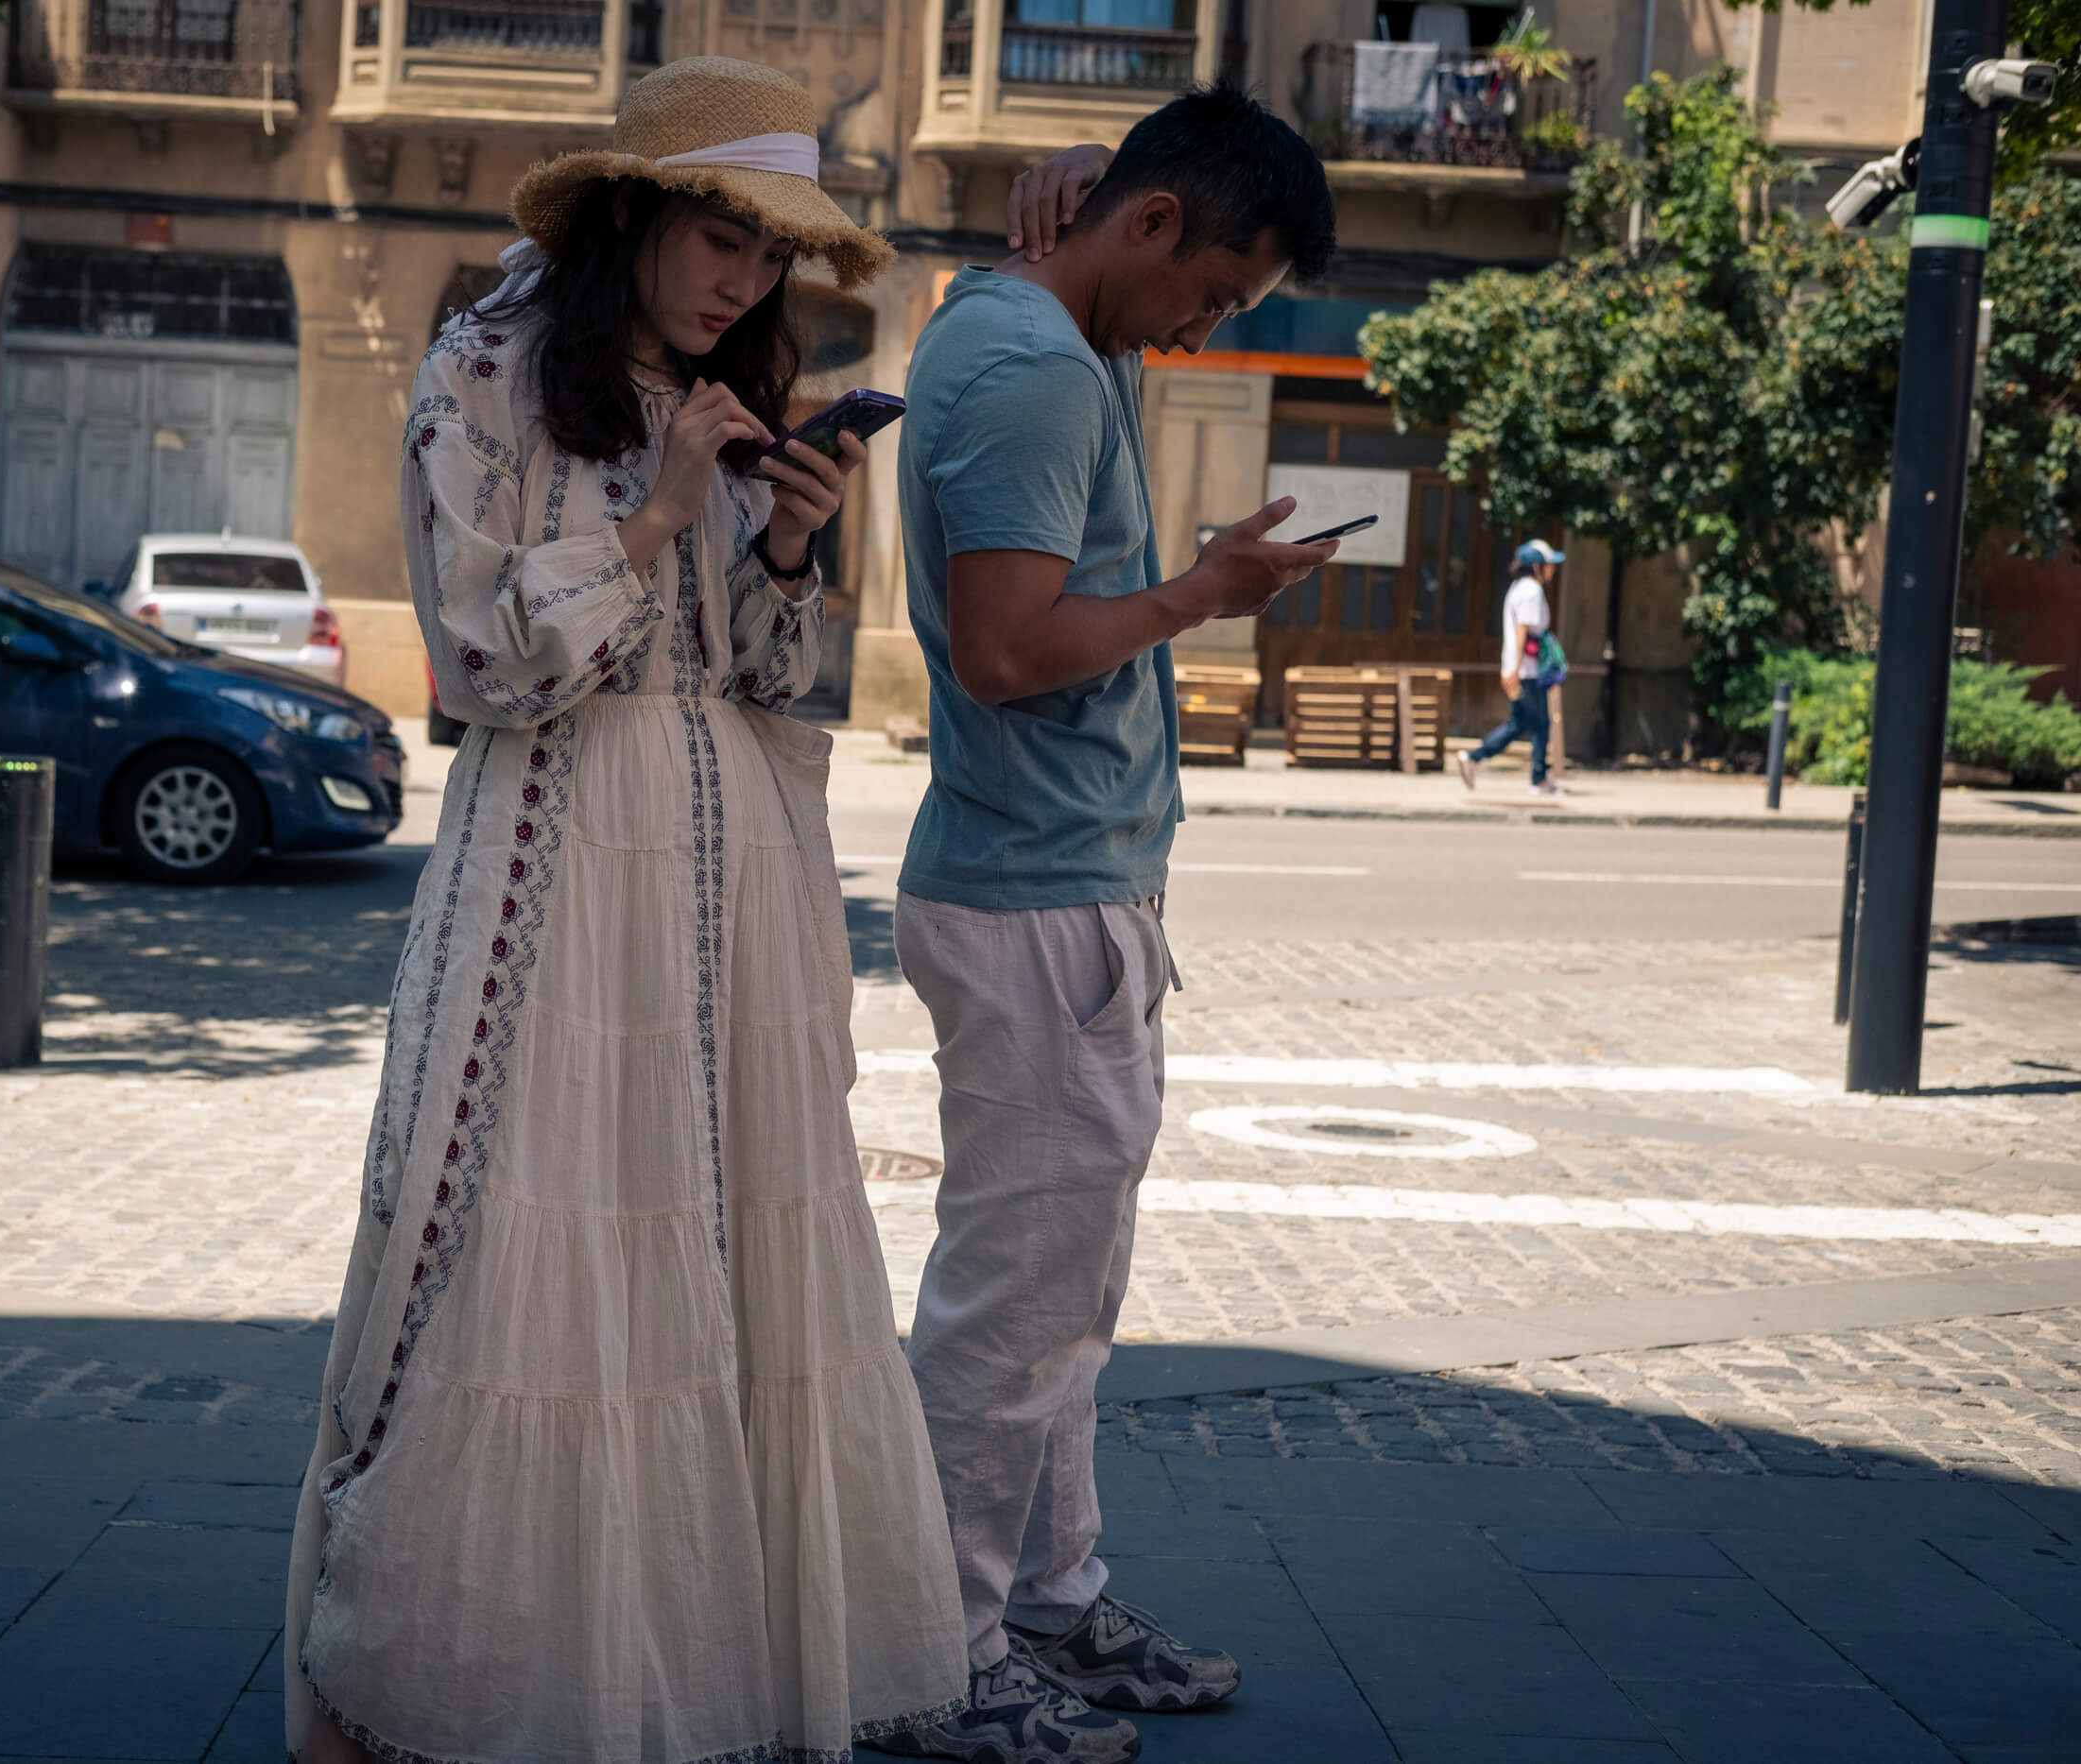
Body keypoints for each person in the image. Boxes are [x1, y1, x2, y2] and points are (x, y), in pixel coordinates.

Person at [281, 57, 967, 1764]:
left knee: (719, 1251)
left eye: (773, 251)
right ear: (634, 212)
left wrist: (790, 552)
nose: (746, 277)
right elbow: (489, 666)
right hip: (561, 861)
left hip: (735, 871)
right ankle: (464, 1679)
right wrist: (664, 507)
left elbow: (760, 678)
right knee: (530, 1240)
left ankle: (687, 1672)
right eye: (721, 233)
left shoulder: (734, 388)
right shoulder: (488, 372)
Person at [870, 88, 1338, 1762]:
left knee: (1064, 1294)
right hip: (1032, 893)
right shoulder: (1025, 369)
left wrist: (1078, 202)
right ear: (1147, 228)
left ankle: (1049, 1596)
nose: (1204, 333)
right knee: (1012, 1304)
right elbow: (1004, 648)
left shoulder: (1059, 337)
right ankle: (934, 1646)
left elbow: (1111, 276)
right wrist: (1201, 598)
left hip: (1069, 882)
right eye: (1210, 295)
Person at [1456, 538, 1565, 796]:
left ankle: (1474, 758)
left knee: (1519, 724)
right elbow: (1522, 632)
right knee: (1540, 725)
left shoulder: (1519, 587)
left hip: (1518, 669)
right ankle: (1538, 779)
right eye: (1548, 564)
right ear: (1536, 566)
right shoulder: (1531, 590)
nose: (1552, 569)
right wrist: (1516, 670)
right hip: (1527, 671)